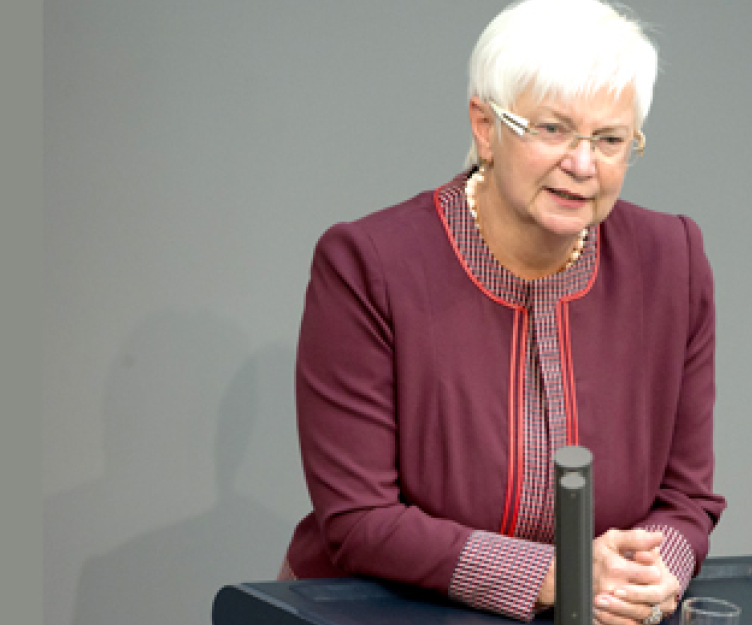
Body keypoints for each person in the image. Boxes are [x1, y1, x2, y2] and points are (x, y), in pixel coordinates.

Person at [279, 1, 726, 623]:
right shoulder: (369, 263)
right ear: (485, 127)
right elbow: (360, 520)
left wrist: (645, 577)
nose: (582, 164)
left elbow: (686, 496)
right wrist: (558, 575)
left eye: (610, 139)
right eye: (551, 129)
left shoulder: (673, 259)